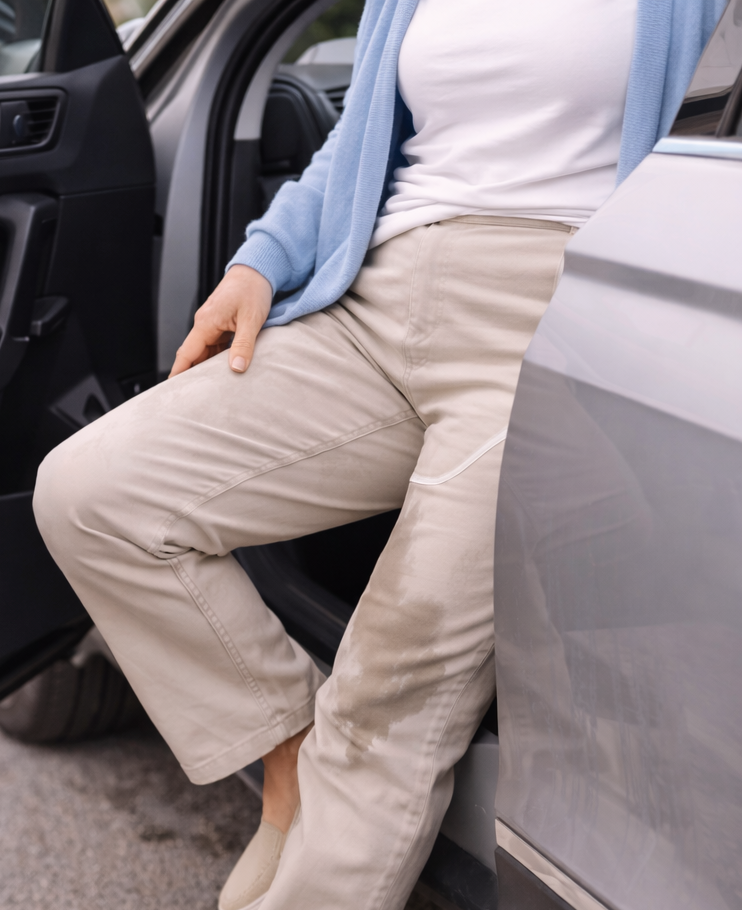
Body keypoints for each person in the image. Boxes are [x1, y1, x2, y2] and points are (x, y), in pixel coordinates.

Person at [33, 1, 722, 908]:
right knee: (91, 492)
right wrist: (258, 261)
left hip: (550, 324)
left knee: (389, 691)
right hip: (370, 304)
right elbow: (358, 139)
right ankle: (290, 762)